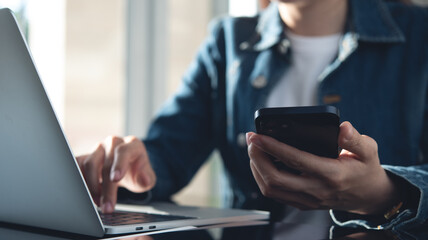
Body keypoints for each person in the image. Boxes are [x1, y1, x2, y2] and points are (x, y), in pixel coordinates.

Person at [76, 0, 428, 239]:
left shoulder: (420, 36)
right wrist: (129, 165)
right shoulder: (227, 43)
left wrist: (383, 193)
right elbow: (167, 153)